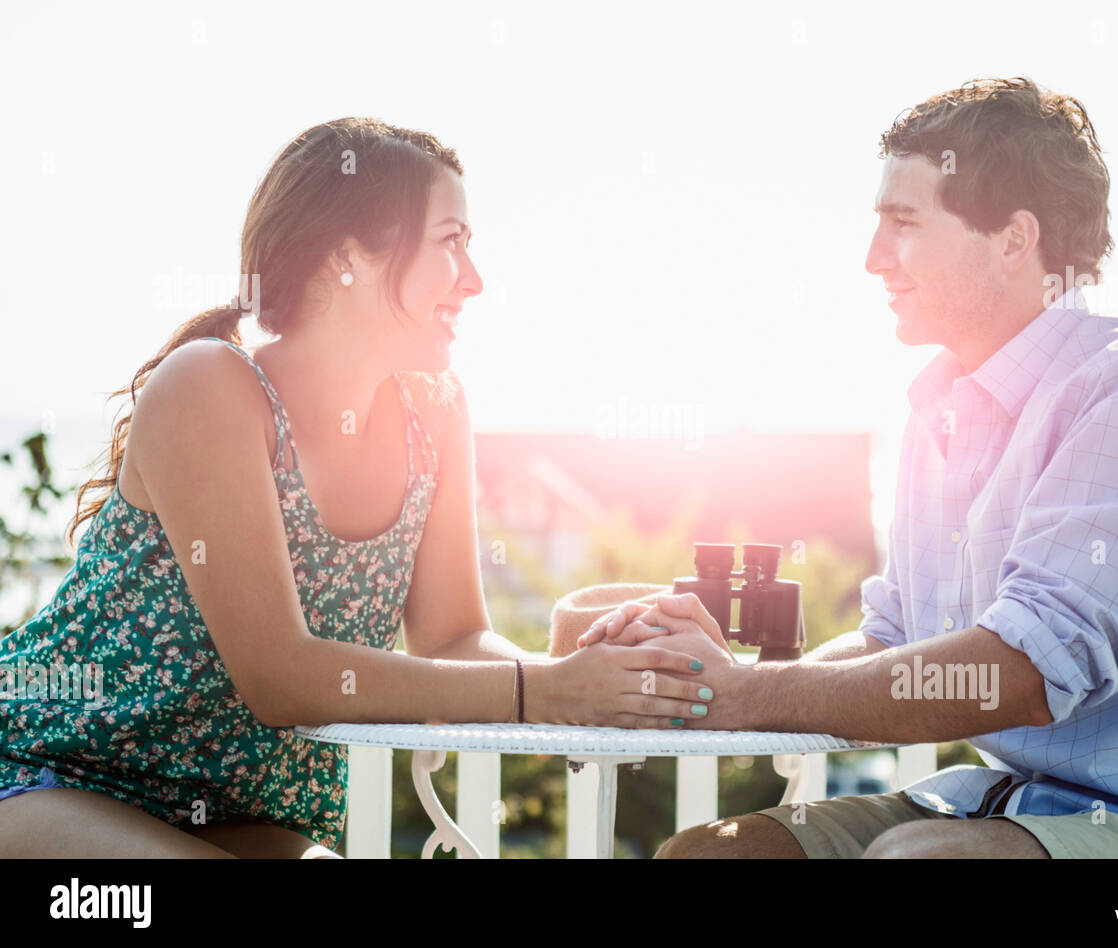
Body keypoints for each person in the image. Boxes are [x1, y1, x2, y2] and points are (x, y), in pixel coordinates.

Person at [580, 77, 1118, 859]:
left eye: (904, 223)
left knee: (924, 862)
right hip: (1014, 804)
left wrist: (741, 697)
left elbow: (1016, 674)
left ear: (1014, 240)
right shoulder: (939, 410)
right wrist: (716, 677)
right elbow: (892, 641)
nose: (872, 258)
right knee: (710, 854)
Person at [0, 117, 715, 858]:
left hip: (241, 812)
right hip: (54, 775)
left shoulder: (434, 411)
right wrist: (545, 691)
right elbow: (279, 675)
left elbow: (452, 640)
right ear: (349, 257)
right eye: (450, 242)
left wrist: (592, 675)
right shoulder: (208, 387)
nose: (475, 279)